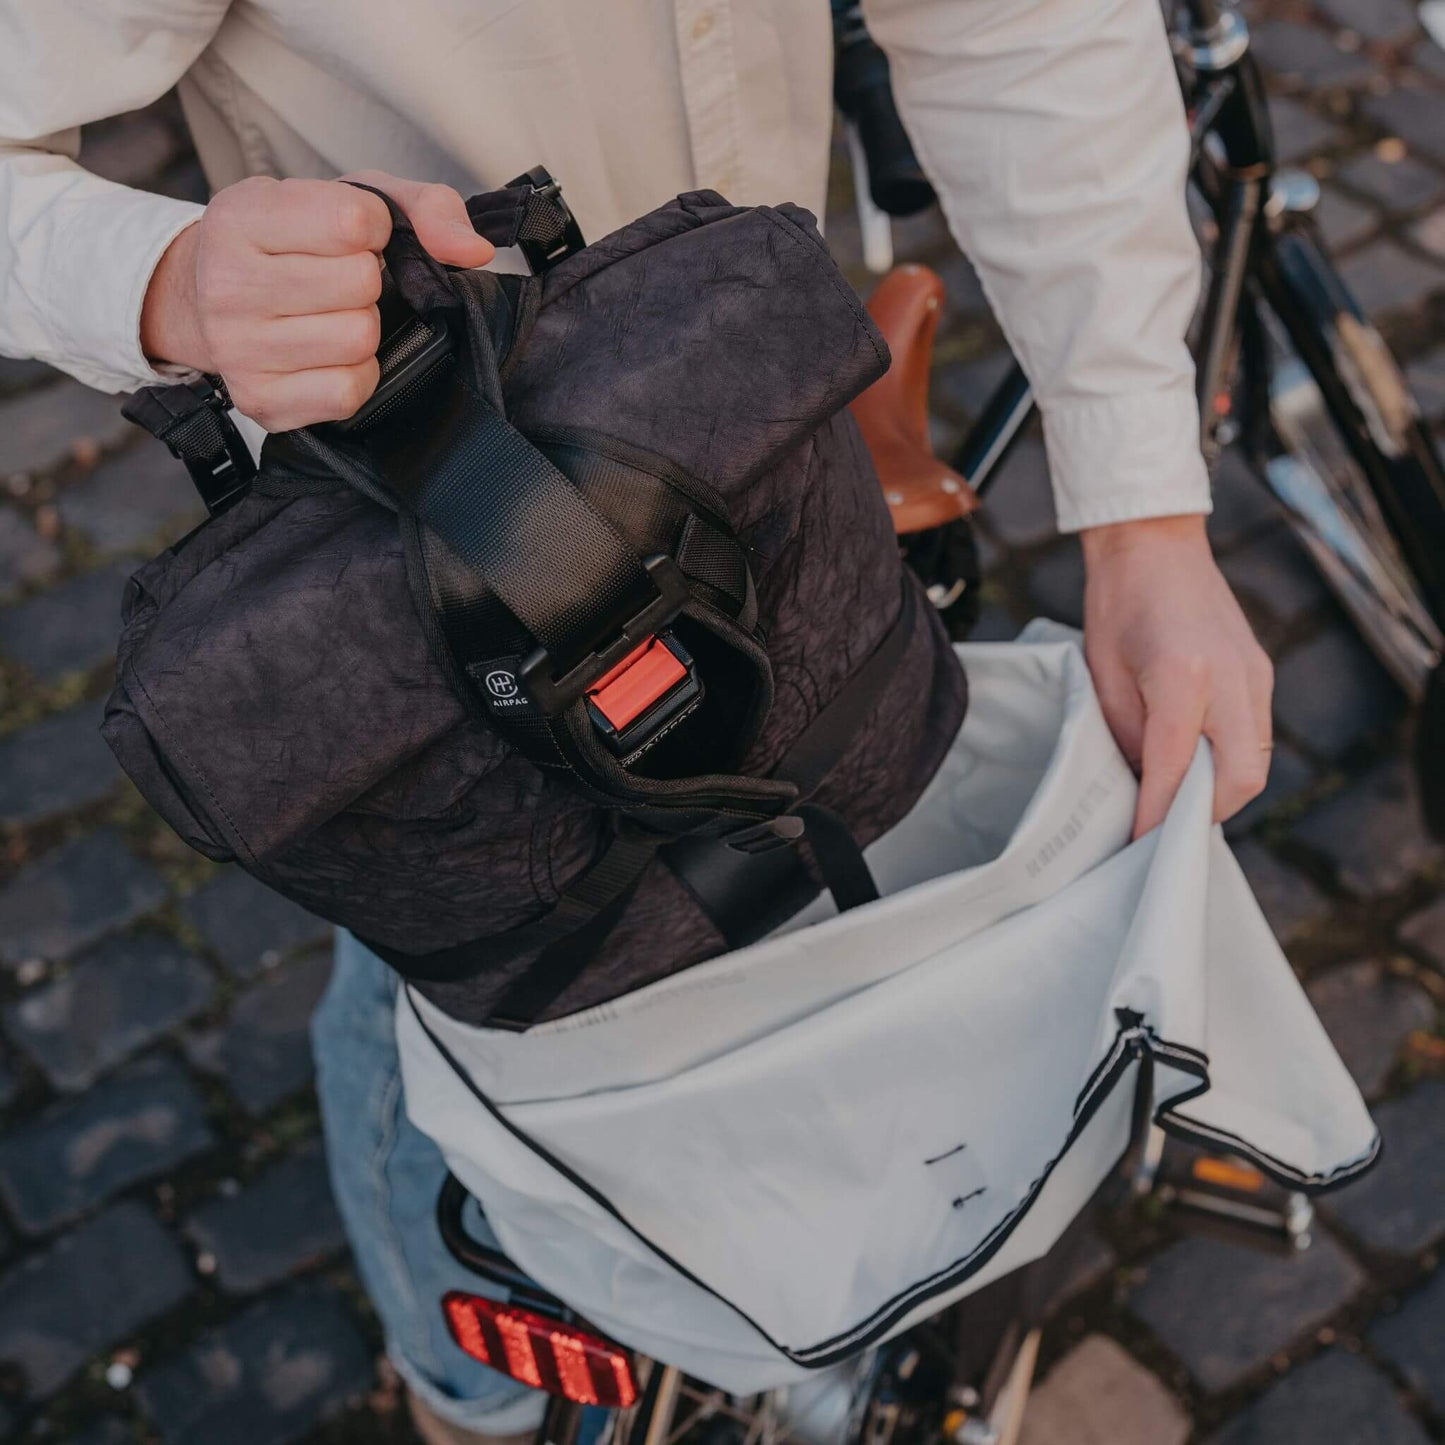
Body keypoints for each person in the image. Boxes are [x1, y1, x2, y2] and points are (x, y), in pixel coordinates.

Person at [0, 2, 1274, 1439]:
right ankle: (470, 1387)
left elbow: (1012, 23)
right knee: (463, 999)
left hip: (770, 427)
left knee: (845, 839)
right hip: (413, 519)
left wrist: (1145, 524)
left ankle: (829, 1273)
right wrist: (162, 280)